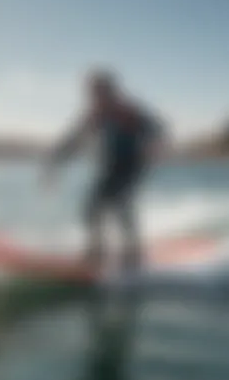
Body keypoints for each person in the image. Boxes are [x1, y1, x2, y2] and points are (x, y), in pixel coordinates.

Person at [43, 68, 168, 270]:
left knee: (120, 205)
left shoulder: (128, 111)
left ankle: (133, 256)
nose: (92, 96)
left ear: (109, 91)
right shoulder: (94, 115)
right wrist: (55, 161)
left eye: (97, 91)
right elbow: (74, 140)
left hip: (131, 167)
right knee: (91, 209)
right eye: (91, 92)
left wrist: (155, 146)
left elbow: (156, 128)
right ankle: (96, 253)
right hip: (108, 168)